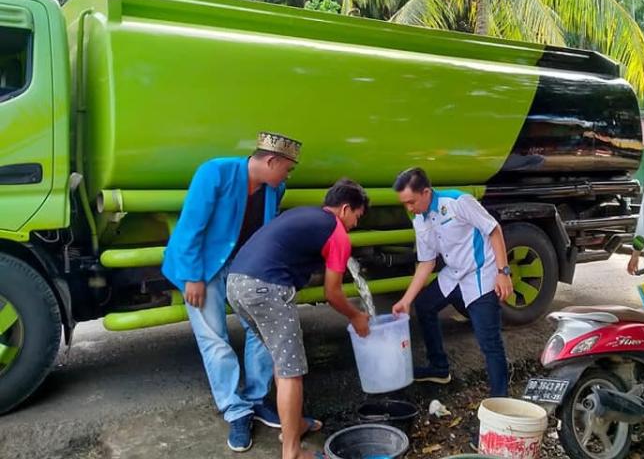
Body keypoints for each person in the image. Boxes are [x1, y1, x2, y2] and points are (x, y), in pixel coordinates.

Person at [162, 131, 299, 452]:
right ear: (272, 161)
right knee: (214, 338)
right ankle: (236, 411)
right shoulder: (215, 172)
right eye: (287, 169)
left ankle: (256, 399)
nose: (287, 176)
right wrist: (193, 277)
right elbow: (191, 226)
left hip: (244, 267)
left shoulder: (274, 189)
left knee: (261, 329)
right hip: (203, 267)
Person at [226, 178, 371, 459]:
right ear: (345, 209)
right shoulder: (337, 233)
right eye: (357, 216)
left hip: (236, 285)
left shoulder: (304, 215)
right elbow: (333, 293)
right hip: (266, 288)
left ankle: (296, 425)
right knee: (291, 371)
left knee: (282, 361)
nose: (356, 223)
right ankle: (292, 451)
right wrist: (356, 316)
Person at [390, 167, 513, 398]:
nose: (409, 208)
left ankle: (500, 399)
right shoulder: (419, 219)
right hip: (454, 274)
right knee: (424, 305)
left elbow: (493, 229)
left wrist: (503, 272)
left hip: (480, 273)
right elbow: (426, 262)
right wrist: (406, 300)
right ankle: (439, 368)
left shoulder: (458, 202)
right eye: (404, 203)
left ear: (426, 192)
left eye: (411, 202)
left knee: (489, 341)